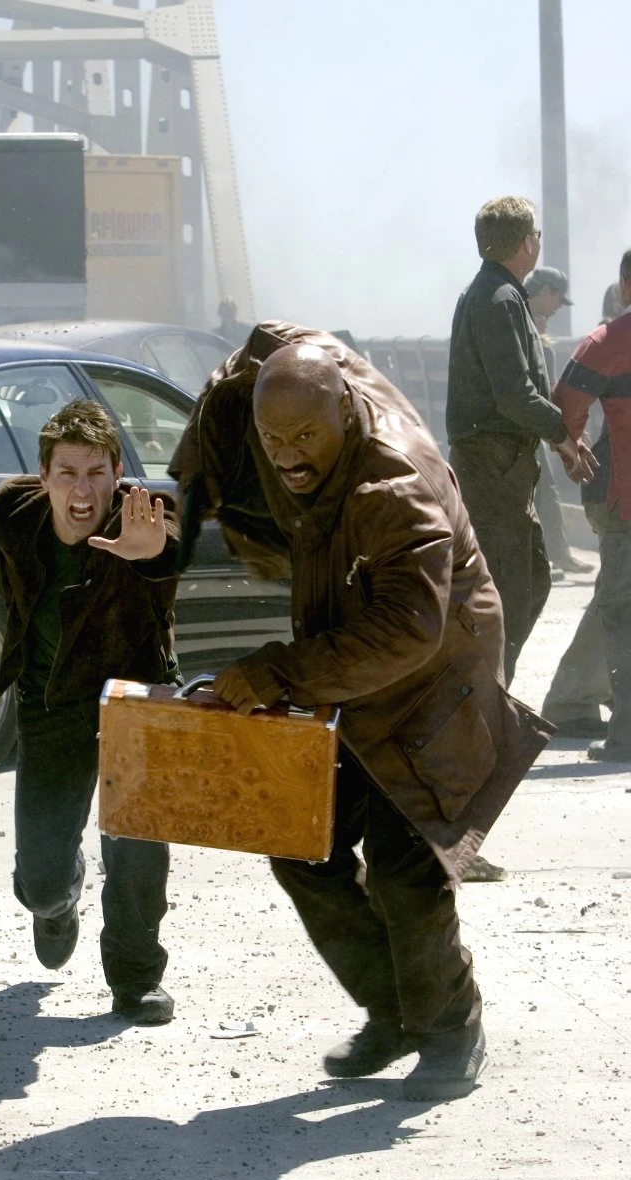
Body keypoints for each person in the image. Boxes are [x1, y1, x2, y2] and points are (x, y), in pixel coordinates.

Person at [174, 331, 551, 1101]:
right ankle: (394, 1011)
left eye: (305, 437)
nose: (287, 457)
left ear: (345, 410)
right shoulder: (305, 405)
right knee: (299, 843)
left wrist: (281, 670)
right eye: (273, 439)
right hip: (353, 669)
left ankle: (451, 1031)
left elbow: (409, 631)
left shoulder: (394, 489)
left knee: (405, 869)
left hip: (435, 678)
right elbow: (272, 345)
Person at [0, 398, 179, 1024]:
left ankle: (136, 979)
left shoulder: (145, 519)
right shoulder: (12, 513)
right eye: (67, 473)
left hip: (133, 705)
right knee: (39, 883)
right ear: (42, 476)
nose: (82, 490)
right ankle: (58, 901)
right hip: (51, 702)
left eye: (97, 473)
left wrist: (148, 554)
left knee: (136, 853)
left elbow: (171, 546)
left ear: (118, 473)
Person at [445, 196, 592, 687]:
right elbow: (514, 394)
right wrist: (563, 436)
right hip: (493, 467)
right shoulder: (500, 298)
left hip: (502, 466)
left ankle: (489, 690)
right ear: (527, 243)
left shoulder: (495, 293)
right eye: (537, 236)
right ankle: (482, 695)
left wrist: (554, 435)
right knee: (507, 592)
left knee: (530, 581)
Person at [552, 249, 631, 763]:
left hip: (625, 501)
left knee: (622, 611)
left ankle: (626, 733)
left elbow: (564, 405)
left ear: (625, 285)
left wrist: (574, 452)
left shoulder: (609, 340)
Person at [524, 267, 592, 577]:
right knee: (544, 488)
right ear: (545, 292)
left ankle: (555, 553)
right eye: (557, 300)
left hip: (530, 423)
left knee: (545, 487)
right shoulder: (521, 320)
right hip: (524, 425)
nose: (557, 310)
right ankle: (556, 554)